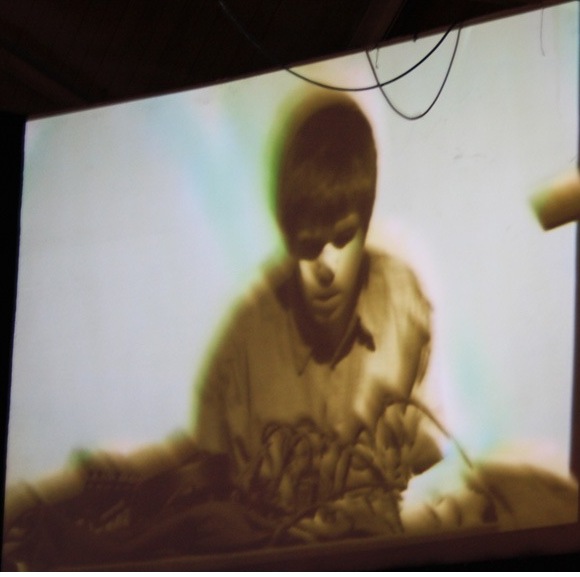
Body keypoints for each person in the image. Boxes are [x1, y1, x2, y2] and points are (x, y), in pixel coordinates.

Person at [193, 94, 446, 537]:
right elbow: (208, 502)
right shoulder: (241, 348)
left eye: (343, 239)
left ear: (365, 226)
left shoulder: (405, 308)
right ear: (288, 239)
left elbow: (434, 471)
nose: (327, 267)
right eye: (309, 246)